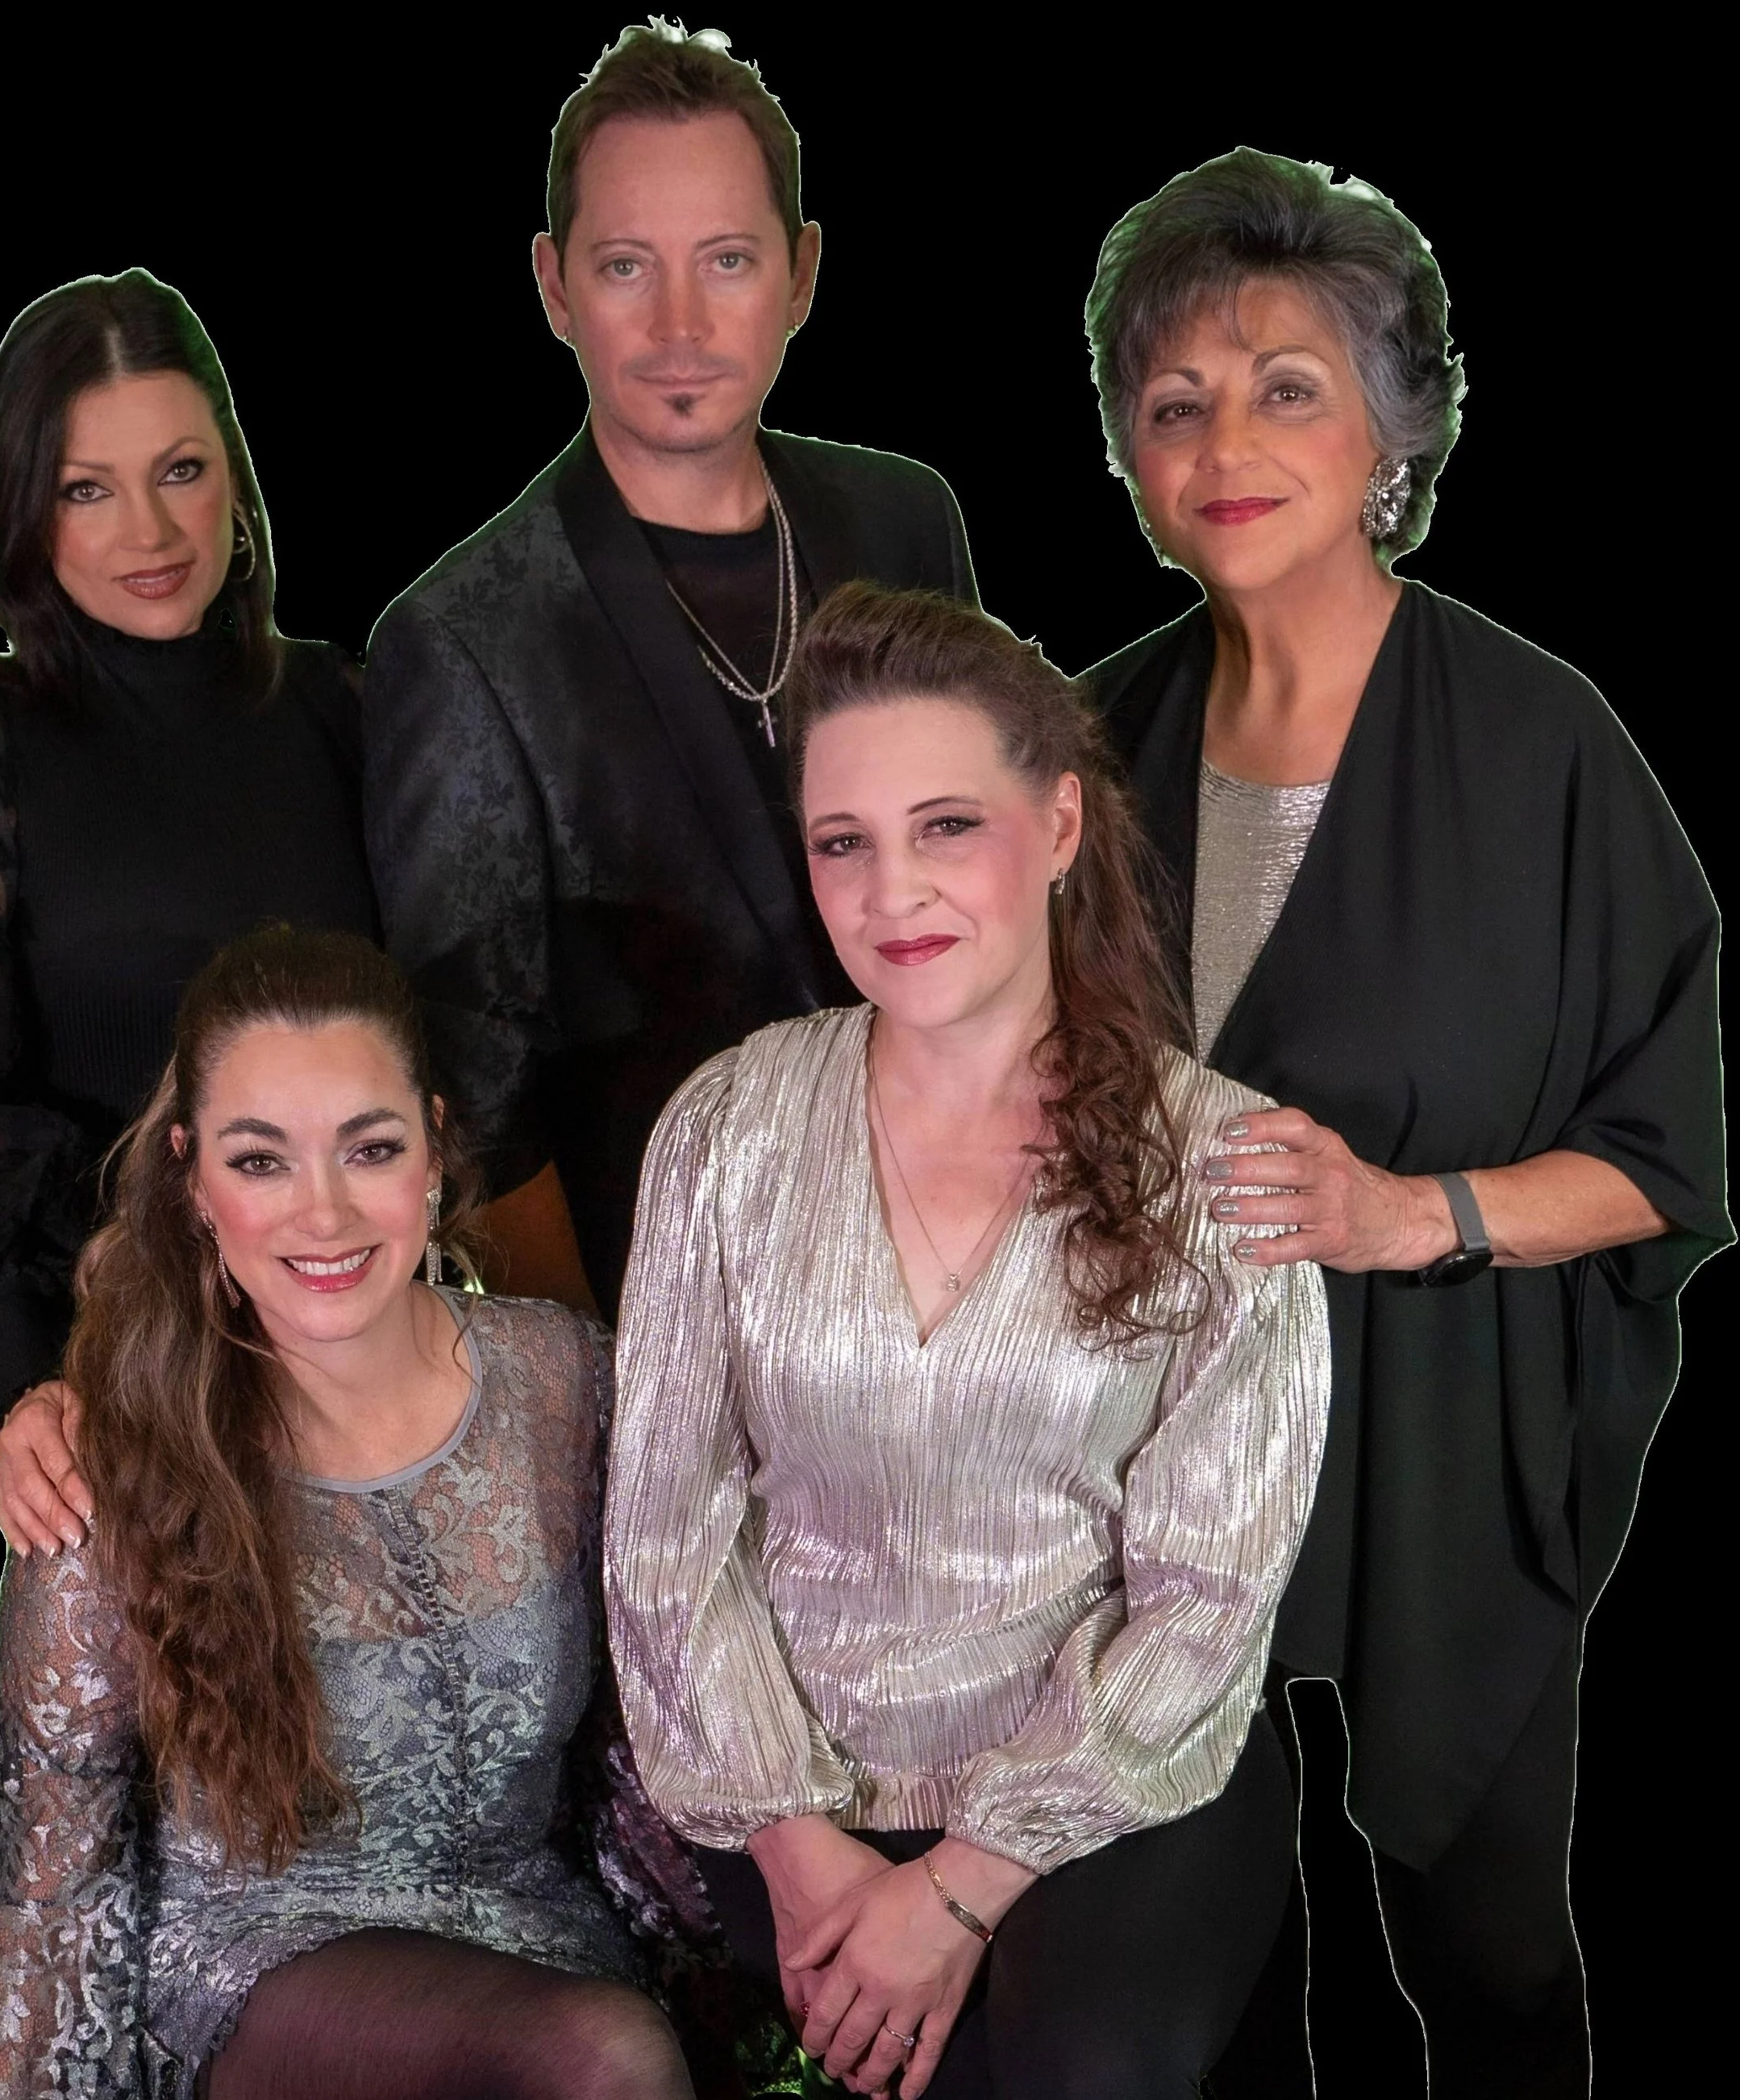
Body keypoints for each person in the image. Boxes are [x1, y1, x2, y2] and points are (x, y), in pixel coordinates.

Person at [1076, 148, 1729, 2095]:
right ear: (1125, 452)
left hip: (1442, 1427)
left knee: (1486, 1949)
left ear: (1390, 430)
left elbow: (1657, 1161)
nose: (1224, 445)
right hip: (1154, 1458)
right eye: (1174, 401)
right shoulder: (1083, 744)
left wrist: (1407, 1215)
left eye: (1285, 388)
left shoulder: (1542, 749)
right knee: (1197, 1958)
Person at [605, 584, 1331, 2100]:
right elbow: (667, 1545)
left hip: (1116, 1775)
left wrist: (960, 1886)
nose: (894, 895)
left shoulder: (1224, 1165)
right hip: (795, 1787)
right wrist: (799, 1850)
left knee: (1071, 2072)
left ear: (1059, 825)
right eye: (843, 844)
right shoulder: (727, 1130)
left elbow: (1208, 1602)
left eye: (946, 827)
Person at [0, 926, 701, 2100]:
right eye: (262, 1162)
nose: (325, 1214)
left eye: (370, 1148)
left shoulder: (567, 1380)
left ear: (435, 1150)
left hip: (543, 1944)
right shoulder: (112, 1466)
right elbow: (54, 1895)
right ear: (193, 1181)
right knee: (603, 2058)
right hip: (260, 1978)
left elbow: (652, 1725)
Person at [363, 23, 978, 1317]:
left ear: (803, 274)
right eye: (627, 266)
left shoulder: (908, 522)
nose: (680, 324)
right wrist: (607, 1387)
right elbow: (480, 1105)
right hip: (682, 1320)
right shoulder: (462, 640)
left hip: (971, 1259)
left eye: (729, 261)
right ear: (554, 286)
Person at [0, 269, 380, 1558]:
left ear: (235, 480)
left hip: (363, 1353)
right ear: (24, 514)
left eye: (181, 471)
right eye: (87, 490)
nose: (150, 531)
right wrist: (32, 1393)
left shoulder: (338, 705)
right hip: (130, 1393)